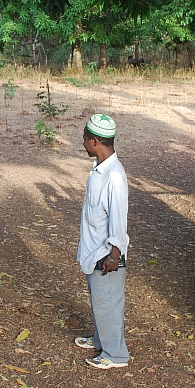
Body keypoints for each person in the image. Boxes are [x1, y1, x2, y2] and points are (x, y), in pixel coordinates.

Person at [74, 114, 131, 369]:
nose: (83, 144)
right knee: (100, 299)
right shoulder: (100, 169)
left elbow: (118, 221)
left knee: (109, 302)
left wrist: (114, 257)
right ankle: (101, 339)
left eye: (86, 140)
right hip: (94, 249)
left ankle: (116, 354)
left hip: (106, 254)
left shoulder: (114, 177)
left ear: (95, 141)